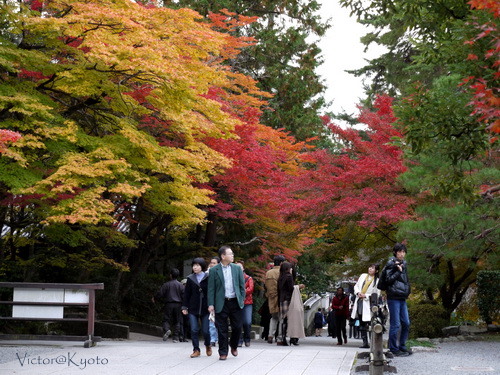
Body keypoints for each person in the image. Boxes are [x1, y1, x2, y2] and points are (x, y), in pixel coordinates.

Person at [207, 245, 246, 361]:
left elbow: (241, 286)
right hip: (221, 302)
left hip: (235, 302)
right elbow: (211, 289)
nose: (232, 255)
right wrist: (210, 304)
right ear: (223, 256)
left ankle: (233, 345)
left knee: (238, 327)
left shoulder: (237, 268)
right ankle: (223, 352)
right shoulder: (214, 270)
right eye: (230, 253)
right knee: (222, 328)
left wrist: (241, 299)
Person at [378, 243, 411, 357]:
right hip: (393, 297)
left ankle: (402, 346)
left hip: (402, 297)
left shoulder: (404, 264)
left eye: (403, 252)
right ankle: (393, 348)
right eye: (399, 252)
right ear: (395, 252)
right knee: (395, 324)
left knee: (406, 323)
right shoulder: (391, 264)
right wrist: (398, 271)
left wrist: (408, 291)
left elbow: (405, 281)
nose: (402, 254)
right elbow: (387, 281)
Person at [182, 258, 211, 358]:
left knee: (206, 330)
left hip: (205, 308)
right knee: (194, 329)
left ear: (202, 266)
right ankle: (196, 349)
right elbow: (187, 294)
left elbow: (211, 292)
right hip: (192, 308)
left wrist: (212, 305)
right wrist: (184, 307)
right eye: (194, 265)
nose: (195, 267)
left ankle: (208, 345)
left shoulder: (208, 277)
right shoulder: (190, 278)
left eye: (198, 265)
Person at [351, 264, 381, 348]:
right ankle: (365, 342)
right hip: (360, 301)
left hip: (368, 303)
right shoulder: (363, 276)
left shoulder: (377, 281)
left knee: (371, 322)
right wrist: (358, 293)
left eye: (373, 268)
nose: (370, 269)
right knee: (361, 321)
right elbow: (356, 286)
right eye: (370, 267)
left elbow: (377, 294)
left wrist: (366, 295)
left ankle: (373, 342)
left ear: (376, 271)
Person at [154, 268, 184, 343]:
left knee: (166, 319)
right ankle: (175, 337)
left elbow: (160, 294)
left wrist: (155, 298)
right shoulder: (181, 285)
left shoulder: (166, 284)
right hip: (178, 304)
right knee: (177, 321)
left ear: (170, 275)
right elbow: (184, 295)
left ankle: (167, 330)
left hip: (169, 303)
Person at [265, 255, 285, 344]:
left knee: (273, 318)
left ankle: (270, 335)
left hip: (271, 297)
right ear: (281, 263)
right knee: (281, 318)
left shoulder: (268, 273)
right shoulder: (282, 272)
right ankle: (279, 337)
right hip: (280, 298)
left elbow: (266, 286)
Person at [236, 260, 254, 347]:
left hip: (247, 302)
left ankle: (247, 338)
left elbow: (250, 289)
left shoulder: (248, 278)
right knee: (237, 322)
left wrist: (240, 292)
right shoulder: (233, 278)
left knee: (247, 322)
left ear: (243, 268)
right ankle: (239, 339)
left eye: (240, 266)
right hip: (236, 302)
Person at [277, 261, 295, 346]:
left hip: (281, 299)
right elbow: (291, 288)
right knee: (287, 319)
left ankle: (281, 337)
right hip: (288, 299)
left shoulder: (280, 277)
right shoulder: (289, 277)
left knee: (282, 318)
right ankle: (285, 337)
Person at [207, 256, 220, 347]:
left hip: (219, 301)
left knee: (219, 321)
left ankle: (219, 338)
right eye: (211, 262)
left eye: (214, 263)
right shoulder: (206, 274)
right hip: (210, 300)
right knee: (211, 320)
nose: (212, 264)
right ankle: (212, 339)